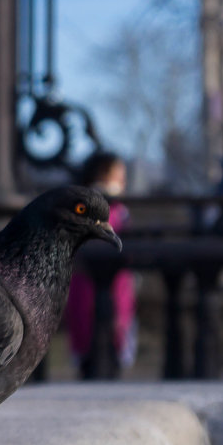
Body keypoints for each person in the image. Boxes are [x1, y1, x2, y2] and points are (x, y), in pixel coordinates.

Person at [64, 152, 137, 377]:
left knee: (103, 330)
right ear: (102, 175)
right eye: (118, 175)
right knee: (97, 328)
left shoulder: (114, 209)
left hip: (106, 284)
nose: (122, 182)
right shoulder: (113, 210)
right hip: (97, 283)